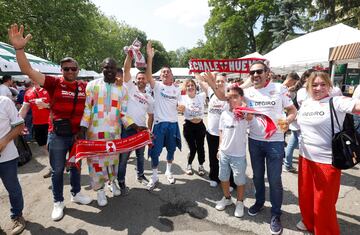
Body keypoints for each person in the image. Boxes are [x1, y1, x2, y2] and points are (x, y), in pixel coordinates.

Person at [8, 23, 92, 221]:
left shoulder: (85, 86)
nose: (70, 71)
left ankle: (76, 193)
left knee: (77, 166)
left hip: (77, 135)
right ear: (61, 70)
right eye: (66, 69)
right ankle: (58, 201)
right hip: (57, 135)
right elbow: (28, 70)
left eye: (73, 68)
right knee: (57, 171)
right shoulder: (54, 83)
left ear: (78, 70)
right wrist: (19, 49)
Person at [296, 71, 360, 234]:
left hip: (326, 162)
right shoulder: (306, 103)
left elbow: (357, 106)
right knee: (306, 196)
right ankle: (309, 222)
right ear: (308, 86)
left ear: (329, 86)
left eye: (323, 84)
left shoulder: (336, 101)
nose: (319, 88)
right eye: (315, 85)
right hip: (305, 157)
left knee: (323, 203)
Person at [79, 58, 143, 206]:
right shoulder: (92, 86)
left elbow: (123, 113)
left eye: (112, 68)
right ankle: (100, 190)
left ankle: (112, 183)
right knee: (96, 162)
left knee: (113, 161)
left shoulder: (122, 89)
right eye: (107, 67)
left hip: (114, 132)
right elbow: (88, 109)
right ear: (102, 67)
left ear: (116, 71)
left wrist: (135, 126)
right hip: (94, 132)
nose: (109, 70)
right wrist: (83, 128)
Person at [244, 61, 297, 235]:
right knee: (258, 176)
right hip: (254, 141)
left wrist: (287, 122)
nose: (255, 75)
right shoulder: (248, 92)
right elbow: (228, 97)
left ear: (267, 73)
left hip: (274, 142)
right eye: (252, 73)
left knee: (274, 180)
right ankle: (259, 202)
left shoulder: (279, 89)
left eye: (259, 71)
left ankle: (275, 214)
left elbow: (292, 110)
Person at [116, 52, 154, 194]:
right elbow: (126, 70)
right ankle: (121, 181)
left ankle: (140, 175)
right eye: (138, 78)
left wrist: (148, 130)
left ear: (146, 81)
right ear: (135, 80)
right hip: (128, 129)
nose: (141, 80)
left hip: (142, 130)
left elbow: (151, 115)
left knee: (140, 156)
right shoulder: (130, 88)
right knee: (124, 158)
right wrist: (130, 55)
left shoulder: (149, 98)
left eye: (143, 78)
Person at [146, 41, 182, 190]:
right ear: (160, 76)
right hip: (160, 124)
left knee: (171, 150)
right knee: (155, 151)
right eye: (163, 72)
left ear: (172, 75)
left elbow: (180, 105)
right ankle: (154, 176)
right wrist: (150, 58)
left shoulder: (177, 90)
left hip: (173, 124)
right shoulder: (158, 86)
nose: (165, 73)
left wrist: (182, 108)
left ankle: (168, 171)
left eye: (167, 72)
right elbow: (148, 75)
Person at [215, 85, 252, 218]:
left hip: (238, 155)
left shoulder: (245, 113)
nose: (232, 100)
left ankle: (240, 202)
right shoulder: (224, 114)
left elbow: (250, 117)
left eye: (235, 96)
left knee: (239, 181)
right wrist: (219, 148)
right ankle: (227, 198)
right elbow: (221, 131)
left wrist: (243, 106)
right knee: (223, 178)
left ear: (241, 98)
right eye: (229, 97)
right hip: (224, 152)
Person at [196, 72, 236, 190]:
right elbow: (199, 79)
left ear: (226, 82)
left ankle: (230, 181)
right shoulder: (210, 91)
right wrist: (196, 68)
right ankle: (214, 177)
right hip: (212, 132)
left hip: (226, 134)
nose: (219, 83)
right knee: (213, 157)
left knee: (228, 158)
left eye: (222, 81)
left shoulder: (229, 94)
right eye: (218, 81)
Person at [0, 96, 26, 235]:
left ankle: (17, 216)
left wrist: (4, 141)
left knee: (13, 188)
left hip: (7, 158)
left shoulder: (4, 101)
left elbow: (19, 125)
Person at [18, 80, 52, 177]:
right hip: (37, 124)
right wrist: (17, 121)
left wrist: (45, 105)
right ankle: (57, 163)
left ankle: (54, 167)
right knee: (43, 146)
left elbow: (58, 106)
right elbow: (24, 109)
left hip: (50, 123)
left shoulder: (49, 90)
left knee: (51, 146)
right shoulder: (28, 92)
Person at [283, 70, 312, 172]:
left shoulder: (297, 90)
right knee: (301, 145)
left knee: (291, 142)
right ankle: (292, 165)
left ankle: (287, 164)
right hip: (296, 119)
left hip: (293, 119)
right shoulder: (302, 91)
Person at [178, 79, 206, 176]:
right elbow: (179, 108)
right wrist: (180, 108)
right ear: (186, 88)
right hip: (189, 126)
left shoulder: (201, 96)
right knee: (193, 148)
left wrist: (201, 77)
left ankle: (201, 165)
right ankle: (189, 164)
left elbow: (208, 87)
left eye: (192, 85)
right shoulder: (182, 98)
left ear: (195, 86)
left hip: (200, 126)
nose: (190, 87)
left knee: (200, 147)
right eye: (188, 85)